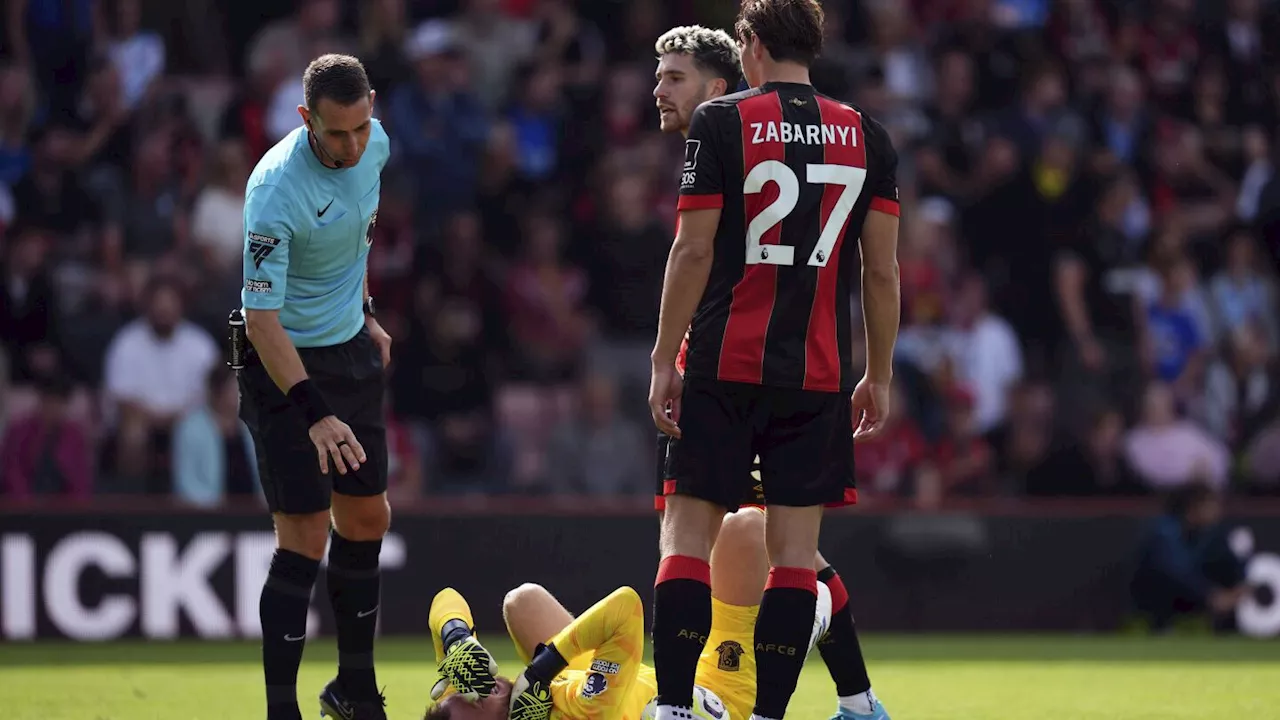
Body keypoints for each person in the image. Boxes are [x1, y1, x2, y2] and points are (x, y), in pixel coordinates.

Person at [646, 2, 901, 718]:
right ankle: (777, 714)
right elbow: (880, 273)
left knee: (686, 540)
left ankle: (670, 710)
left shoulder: (722, 122)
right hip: (815, 373)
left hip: (723, 362)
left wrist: (666, 358)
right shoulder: (869, 136)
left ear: (749, 44)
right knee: (794, 559)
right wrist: (878, 373)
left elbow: (693, 249)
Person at [239, 54, 413, 720]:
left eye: (361, 128)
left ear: (371, 104)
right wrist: (313, 413)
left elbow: (355, 239)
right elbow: (261, 320)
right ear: (306, 118)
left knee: (368, 516)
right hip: (281, 363)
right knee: (305, 535)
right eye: (335, 133)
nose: (351, 146)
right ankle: (281, 707)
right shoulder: (274, 190)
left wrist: (364, 311)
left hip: (348, 350)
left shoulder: (377, 144)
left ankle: (354, 689)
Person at [423, 507, 832, 720]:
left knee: (521, 601)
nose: (484, 688)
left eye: (468, 691)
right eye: (480, 703)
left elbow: (444, 600)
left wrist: (457, 637)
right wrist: (541, 670)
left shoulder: (477, 700)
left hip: (620, 680)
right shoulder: (585, 712)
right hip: (716, 693)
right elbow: (626, 608)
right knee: (743, 527)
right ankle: (801, 629)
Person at [1131, 482, 1251, 633]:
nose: (1217, 511)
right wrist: (1212, 596)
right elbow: (1176, 570)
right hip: (1151, 600)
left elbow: (1230, 561)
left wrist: (1240, 586)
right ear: (1194, 507)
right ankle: (1161, 627)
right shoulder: (1164, 531)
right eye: (1211, 505)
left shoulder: (1210, 534)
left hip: (1191, 600)